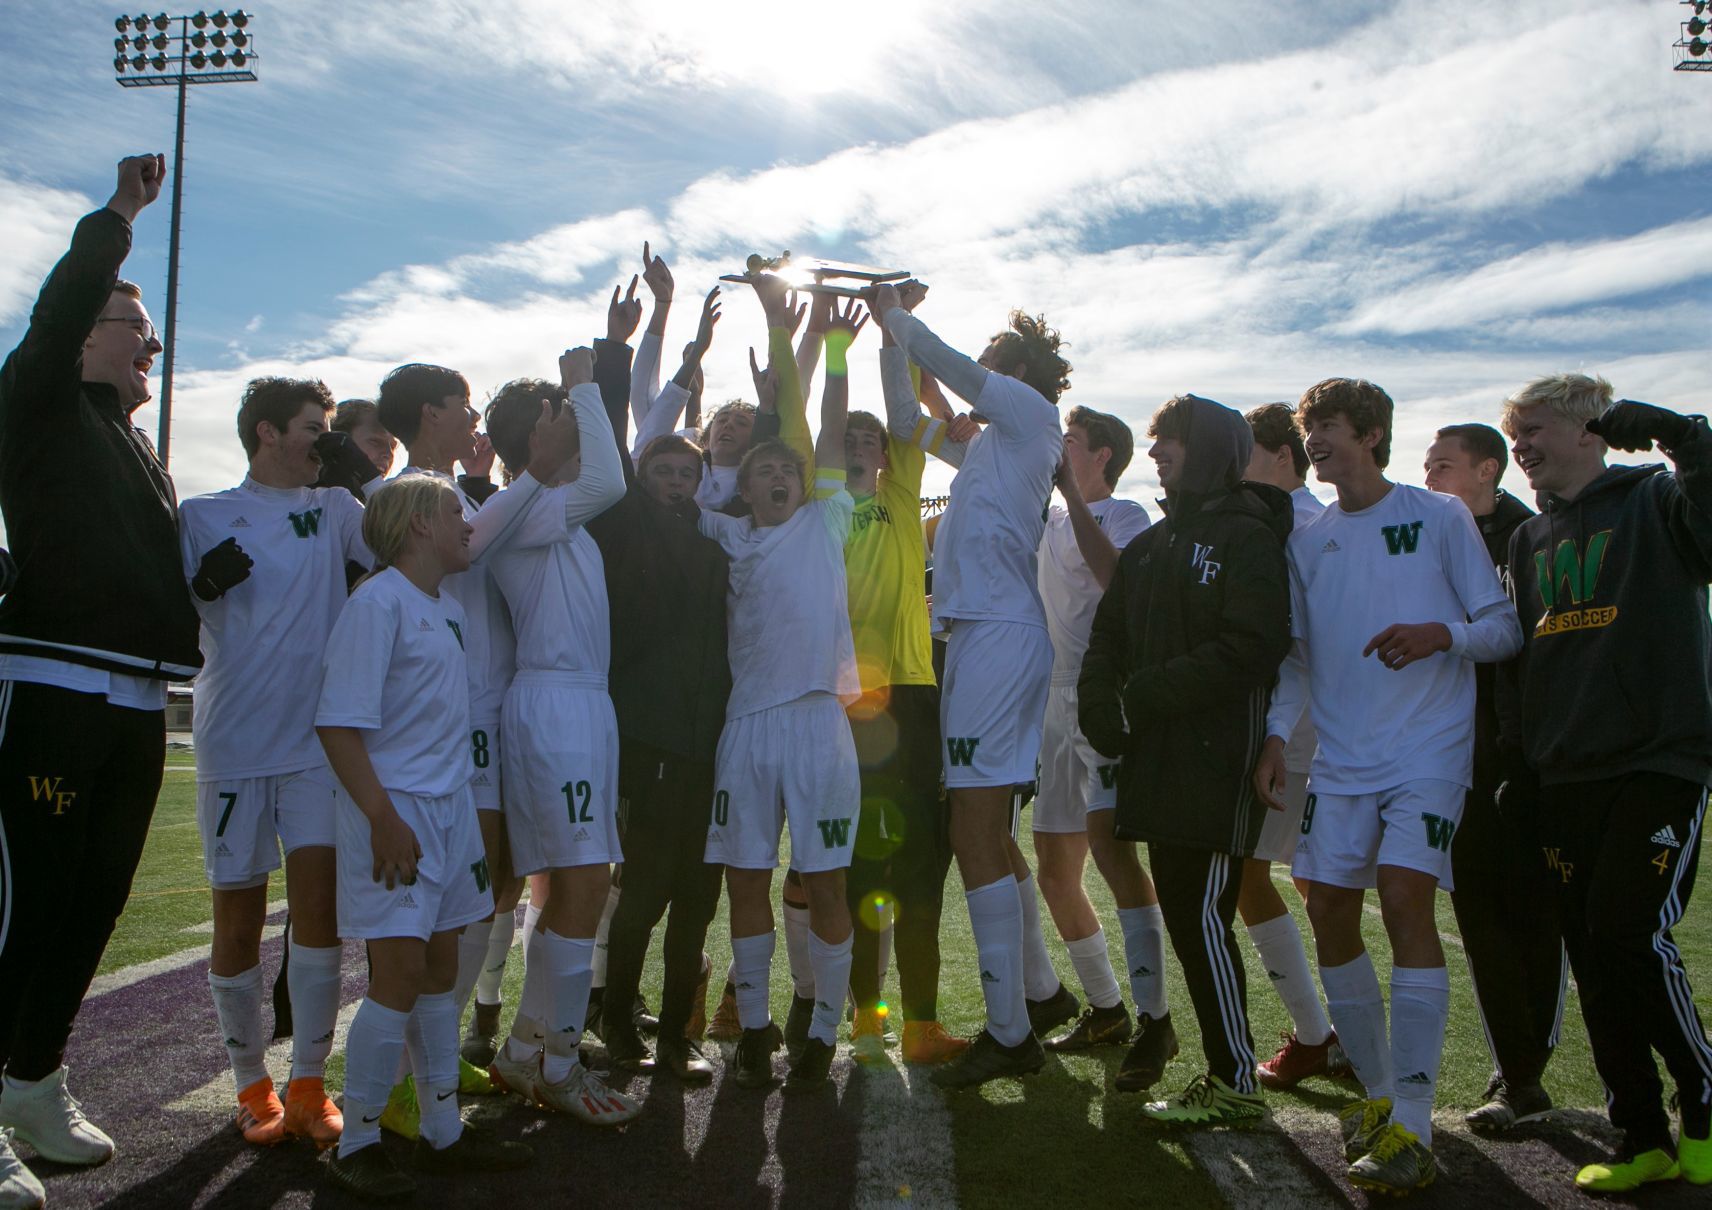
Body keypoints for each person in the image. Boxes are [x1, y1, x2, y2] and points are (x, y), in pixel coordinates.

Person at [1254, 378, 1522, 1196]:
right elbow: (1297, 662)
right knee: (1328, 904)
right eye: (1309, 430)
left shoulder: (1439, 516)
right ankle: (1378, 1099)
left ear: (1370, 434)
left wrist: (1441, 633)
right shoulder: (1308, 542)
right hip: (1341, 757)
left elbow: (1505, 629)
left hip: (1428, 752)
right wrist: (1273, 736)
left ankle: (1411, 1120)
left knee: (1406, 898)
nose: (1315, 442)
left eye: (1328, 427)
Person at [0, 155, 203, 1206]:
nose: (152, 344)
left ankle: (31, 1080)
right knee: (25, 906)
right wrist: (121, 216)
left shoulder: (135, 447)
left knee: (91, 905)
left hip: (129, 699)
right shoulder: (35, 396)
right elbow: (61, 302)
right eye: (134, 326)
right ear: (83, 335)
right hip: (53, 690)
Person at [1498, 376, 1712, 1193]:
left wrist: (1687, 438)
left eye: (1535, 428)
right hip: (1565, 772)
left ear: (1593, 431)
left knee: (1629, 931)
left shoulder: (1657, 499)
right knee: (1592, 952)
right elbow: (1524, 658)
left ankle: (1705, 1093)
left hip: (1659, 758)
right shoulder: (1530, 540)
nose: (1520, 445)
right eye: (1512, 433)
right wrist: (1521, 760)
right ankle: (1643, 1137)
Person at [316, 474, 532, 1199]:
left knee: (441, 973)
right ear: (415, 527)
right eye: (452, 512)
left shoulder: (442, 609)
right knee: (400, 976)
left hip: (448, 810)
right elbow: (339, 725)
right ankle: (358, 1142)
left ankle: (441, 1132)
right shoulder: (376, 604)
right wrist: (383, 818)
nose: (467, 524)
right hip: (398, 814)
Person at [876, 282, 1068, 1088]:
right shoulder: (990, 445)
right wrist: (888, 340)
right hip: (980, 636)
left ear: (1017, 370)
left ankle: (1010, 1032)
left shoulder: (1027, 413)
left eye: (993, 361)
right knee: (983, 831)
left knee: (974, 833)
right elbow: (901, 423)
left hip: (997, 637)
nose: (979, 374)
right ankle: (1032, 1006)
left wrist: (898, 315)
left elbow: (946, 363)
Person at [1081, 394, 1291, 1123]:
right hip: (1158, 757)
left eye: (1170, 439)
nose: (1159, 450)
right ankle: (1230, 1072)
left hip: (1216, 757)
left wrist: (1146, 694)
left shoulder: (1249, 535)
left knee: (1200, 915)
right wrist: (1099, 704)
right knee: (1187, 911)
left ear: (1209, 450)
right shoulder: (1154, 545)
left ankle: (1236, 1079)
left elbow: (1254, 645)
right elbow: (1107, 636)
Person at [178, 377, 372, 1150]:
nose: (320, 442)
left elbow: (394, 540)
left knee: (318, 912)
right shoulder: (201, 515)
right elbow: (168, 612)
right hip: (232, 743)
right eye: (310, 429)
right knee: (239, 914)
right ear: (265, 433)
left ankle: (308, 1083)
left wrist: (354, 465)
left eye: (329, 431)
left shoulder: (334, 511)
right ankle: (250, 1084)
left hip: (312, 749)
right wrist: (197, 588)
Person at [700, 280, 860, 1092]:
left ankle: (824, 1030)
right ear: (745, 484)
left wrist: (832, 342)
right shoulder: (723, 534)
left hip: (817, 722)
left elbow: (829, 423)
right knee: (746, 878)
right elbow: (706, 463)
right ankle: (755, 1027)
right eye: (764, 469)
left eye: (786, 471)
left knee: (825, 879)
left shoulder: (826, 518)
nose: (777, 478)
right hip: (747, 728)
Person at [478, 350, 642, 1126]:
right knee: (581, 885)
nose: (582, 425)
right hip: (555, 706)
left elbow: (611, 471)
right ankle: (560, 1062)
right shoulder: (532, 503)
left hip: (580, 708)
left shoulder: (550, 507)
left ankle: (528, 1052)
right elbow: (613, 478)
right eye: (566, 417)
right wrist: (587, 382)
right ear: (539, 435)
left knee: (579, 888)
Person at [588, 287, 729, 1082]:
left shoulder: (715, 551)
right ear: (642, 475)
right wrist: (616, 352)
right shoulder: (623, 521)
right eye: (663, 469)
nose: (676, 480)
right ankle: (619, 1022)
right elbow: (608, 435)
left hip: (710, 747)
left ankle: (678, 1033)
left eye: (688, 471)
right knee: (640, 892)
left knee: (697, 900)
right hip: (648, 741)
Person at [374, 363, 515, 1105]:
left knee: (479, 889)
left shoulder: (468, 499)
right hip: (421, 741)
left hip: (480, 717)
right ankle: (393, 1084)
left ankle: (435, 1060)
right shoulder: (386, 503)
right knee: (423, 909)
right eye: (463, 405)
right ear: (430, 415)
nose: (474, 417)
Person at [1422, 421, 1563, 1134]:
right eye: (1426, 465)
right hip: (1457, 759)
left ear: (1487, 469)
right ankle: (1517, 1071)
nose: (1430, 478)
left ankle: (1527, 1071)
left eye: (1443, 465)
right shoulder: (1430, 538)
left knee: (1540, 919)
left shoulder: (1532, 539)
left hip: (1528, 760)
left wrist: (1527, 753)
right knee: (1480, 920)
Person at [1029, 408, 1171, 1089]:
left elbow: (1117, 578)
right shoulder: (1048, 517)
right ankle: (1107, 1007)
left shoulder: (1128, 515)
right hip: (1050, 704)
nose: (1059, 451)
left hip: (1102, 696)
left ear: (1104, 454)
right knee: (1055, 867)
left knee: (1114, 857)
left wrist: (1072, 498)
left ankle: (1156, 1018)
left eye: (1073, 443)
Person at [1239, 403, 1346, 1090]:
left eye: (1244, 452)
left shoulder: (1305, 529)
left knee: (1260, 880)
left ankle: (1321, 1037)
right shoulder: (1287, 524)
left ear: (1283, 455)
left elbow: (1308, 651)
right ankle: (1331, 1037)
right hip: (1297, 733)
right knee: (1308, 888)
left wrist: (1278, 734)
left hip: (1305, 738)